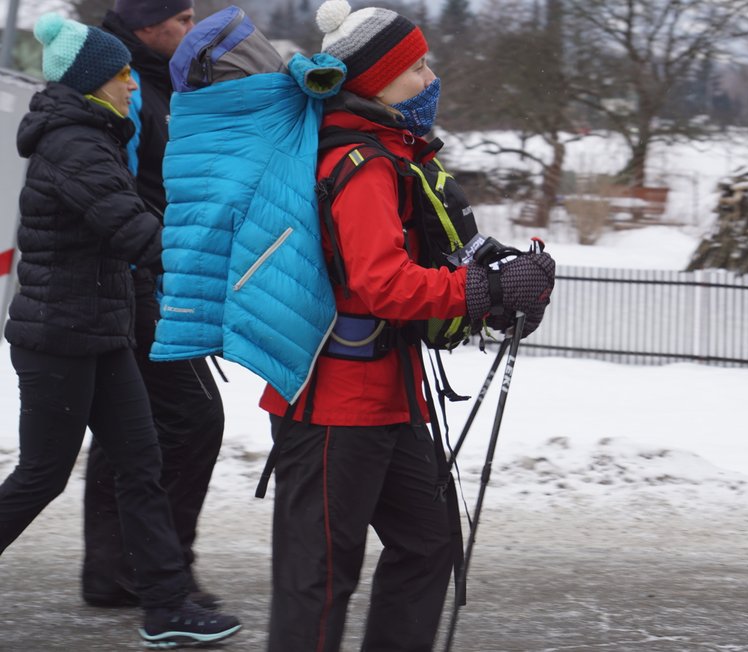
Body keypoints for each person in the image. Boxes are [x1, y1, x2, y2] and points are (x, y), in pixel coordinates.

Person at [257, 1, 556, 650]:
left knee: (428, 542)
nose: (430, 78)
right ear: (377, 79)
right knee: (320, 576)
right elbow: (381, 284)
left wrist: (491, 281)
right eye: (416, 66)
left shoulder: (392, 156)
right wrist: (486, 290)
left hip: (386, 397)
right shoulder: (360, 165)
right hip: (333, 404)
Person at [0, 13, 241, 647]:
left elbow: (135, 222)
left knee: (142, 464)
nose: (133, 86)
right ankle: (162, 599)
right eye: (122, 75)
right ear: (94, 82)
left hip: (101, 333)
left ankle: (165, 607)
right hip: (57, 338)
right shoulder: (73, 145)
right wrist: (218, 252)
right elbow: (134, 229)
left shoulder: (96, 135)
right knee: (42, 476)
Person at [82, 0, 226, 609]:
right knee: (192, 419)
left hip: (141, 278)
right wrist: (160, 255)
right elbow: (128, 188)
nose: (193, 30)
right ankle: (159, 571)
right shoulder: (127, 84)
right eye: (184, 20)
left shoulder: (158, 76)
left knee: (129, 430)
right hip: (139, 280)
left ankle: (116, 571)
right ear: (147, 27)